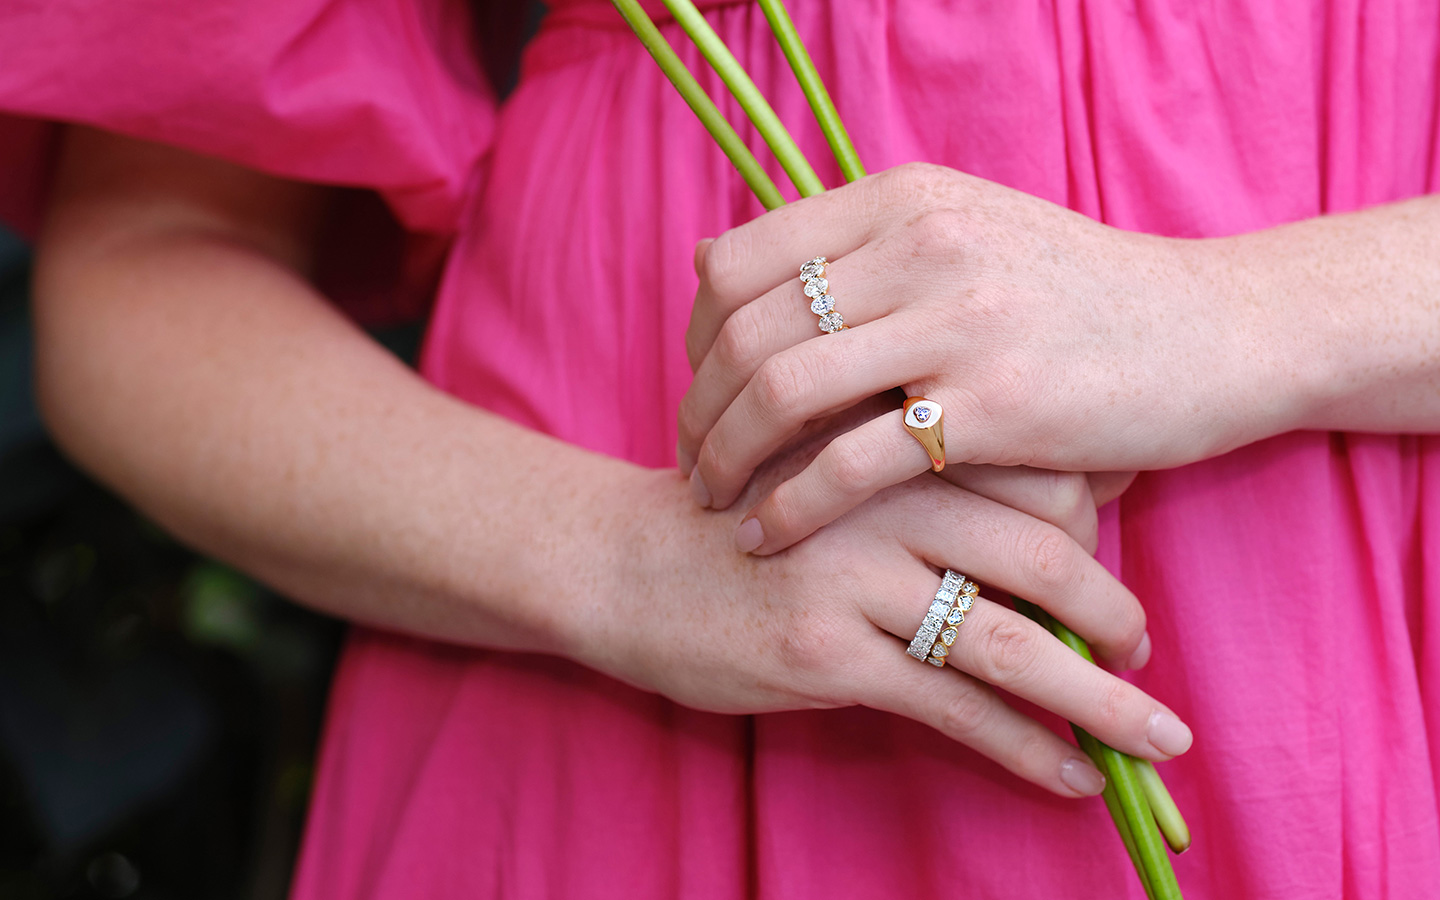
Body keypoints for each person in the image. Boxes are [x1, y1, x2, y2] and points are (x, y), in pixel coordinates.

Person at [1, 0, 1436, 896]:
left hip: (1348, 670)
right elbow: (150, 270)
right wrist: (624, 562)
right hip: (628, 717)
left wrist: (1236, 317)